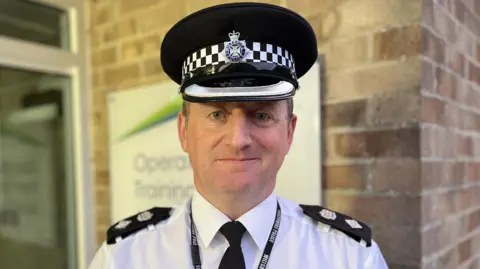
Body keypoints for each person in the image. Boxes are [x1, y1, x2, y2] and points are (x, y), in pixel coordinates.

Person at [87, 2, 389, 269]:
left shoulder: (349, 258)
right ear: (183, 131)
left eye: (261, 115)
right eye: (217, 115)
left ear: (289, 132)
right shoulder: (123, 257)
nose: (238, 140)